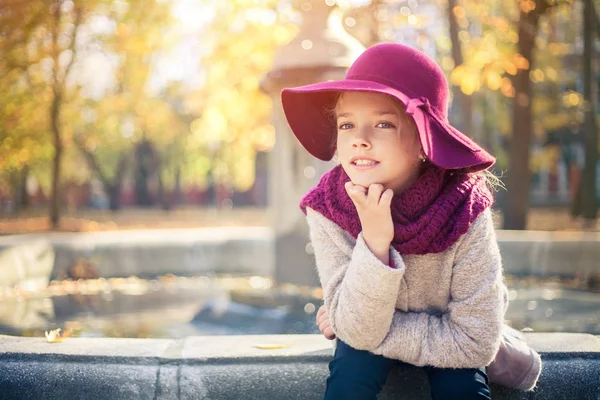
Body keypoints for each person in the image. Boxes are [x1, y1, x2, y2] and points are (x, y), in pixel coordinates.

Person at [280, 43, 539, 400]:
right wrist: (374, 242)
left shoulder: (464, 207)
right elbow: (358, 332)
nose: (359, 140)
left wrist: (356, 326)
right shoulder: (328, 207)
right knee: (350, 373)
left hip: (446, 346)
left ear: (423, 140)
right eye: (347, 124)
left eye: (383, 123)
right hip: (409, 334)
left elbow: (474, 342)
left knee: (461, 386)